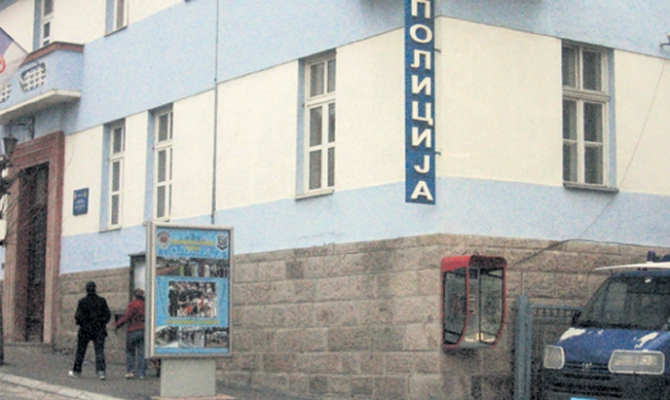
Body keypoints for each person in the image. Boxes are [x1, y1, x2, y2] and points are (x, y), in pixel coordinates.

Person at [69, 281, 111, 380]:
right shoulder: (102, 301)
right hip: (99, 329)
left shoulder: (82, 301)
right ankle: (101, 371)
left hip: (85, 329)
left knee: (81, 351)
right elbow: (107, 315)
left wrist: (82, 323)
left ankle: (77, 371)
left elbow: (78, 316)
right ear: (95, 288)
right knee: (99, 351)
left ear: (86, 289)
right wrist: (102, 322)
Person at [116, 288, 147, 379]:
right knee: (142, 352)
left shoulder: (133, 305)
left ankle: (131, 371)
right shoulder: (146, 305)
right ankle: (141, 373)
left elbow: (127, 316)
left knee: (130, 351)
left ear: (135, 295)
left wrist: (118, 325)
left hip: (133, 330)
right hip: (143, 330)